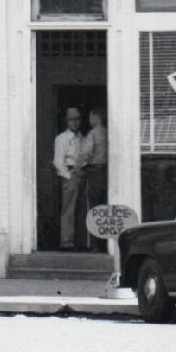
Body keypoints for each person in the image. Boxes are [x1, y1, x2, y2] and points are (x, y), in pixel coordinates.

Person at [53, 106, 89, 250]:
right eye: (71, 120)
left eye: (77, 119)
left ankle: (81, 242)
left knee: (82, 208)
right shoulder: (62, 138)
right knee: (69, 209)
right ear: (66, 121)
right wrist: (69, 176)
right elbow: (57, 161)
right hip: (70, 173)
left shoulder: (82, 137)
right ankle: (66, 242)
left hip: (83, 173)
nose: (75, 122)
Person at [83, 104, 109, 247]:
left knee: (94, 209)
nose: (89, 119)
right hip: (107, 172)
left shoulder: (93, 134)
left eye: (90, 116)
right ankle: (105, 244)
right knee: (105, 208)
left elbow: (86, 153)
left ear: (95, 117)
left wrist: (77, 168)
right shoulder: (107, 132)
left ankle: (94, 245)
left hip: (95, 172)